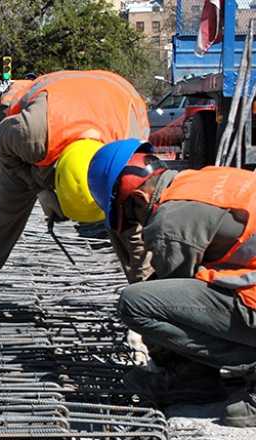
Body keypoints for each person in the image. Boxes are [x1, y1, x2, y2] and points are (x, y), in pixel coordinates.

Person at [0, 70, 150, 333]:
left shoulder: (130, 144)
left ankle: (154, 307)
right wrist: (35, 186)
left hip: (117, 100)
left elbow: (136, 236)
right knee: (0, 221)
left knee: (132, 226)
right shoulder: (30, 135)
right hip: (40, 134)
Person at [87, 138, 256, 427]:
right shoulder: (202, 179)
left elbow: (172, 298)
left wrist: (167, 359)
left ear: (139, 199)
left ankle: (192, 382)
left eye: (132, 217)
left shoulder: (169, 222)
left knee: (137, 302)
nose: (138, 226)